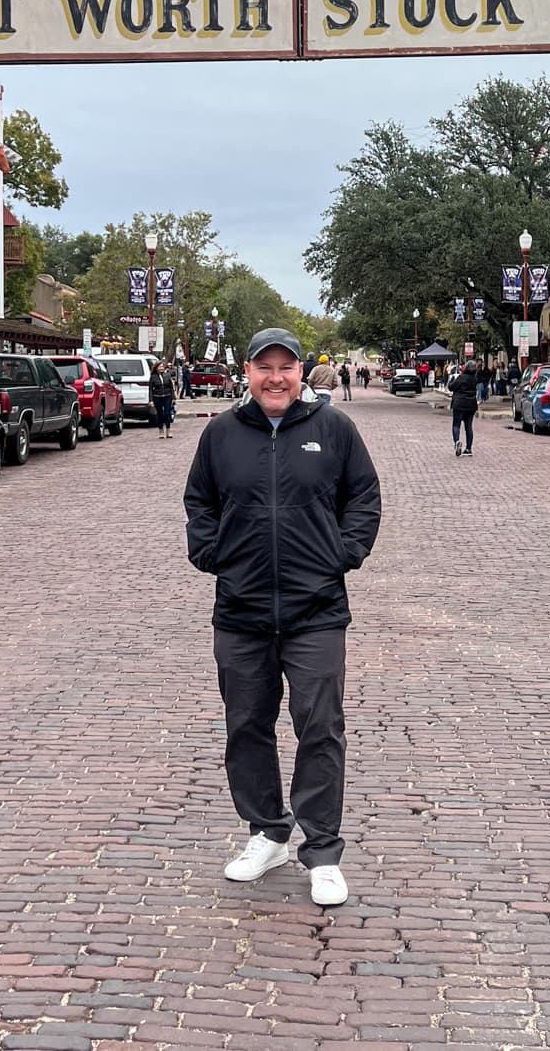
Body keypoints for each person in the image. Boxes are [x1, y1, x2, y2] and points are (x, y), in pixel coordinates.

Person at [185, 327, 381, 908]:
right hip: (241, 610)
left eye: (285, 368)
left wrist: (342, 555)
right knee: (246, 725)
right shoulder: (221, 434)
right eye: (264, 367)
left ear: (302, 373)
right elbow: (200, 502)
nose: (275, 378)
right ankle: (267, 832)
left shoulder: (334, 430)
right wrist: (213, 552)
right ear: (247, 372)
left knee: (319, 727)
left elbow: (363, 497)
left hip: (315, 609)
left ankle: (322, 851)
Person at [449, 359, 479, 457]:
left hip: (459, 404)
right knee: (468, 427)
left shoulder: (461, 378)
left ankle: (457, 441)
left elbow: (451, 387)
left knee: (456, 425)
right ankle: (469, 448)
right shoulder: (474, 379)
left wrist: (452, 378)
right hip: (471, 404)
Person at [149, 358, 177, 438]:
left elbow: (171, 387)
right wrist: (151, 400)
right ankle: (161, 430)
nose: (161, 368)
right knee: (160, 414)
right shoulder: (153, 377)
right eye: (159, 367)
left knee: (167, 413)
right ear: (156, 368)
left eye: (162, 367)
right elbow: (150, 389)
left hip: (167, 396)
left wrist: (173, 398)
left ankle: (168, 430)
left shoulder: (167, 375)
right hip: (157, 397)